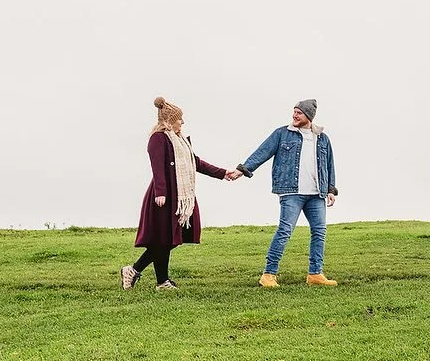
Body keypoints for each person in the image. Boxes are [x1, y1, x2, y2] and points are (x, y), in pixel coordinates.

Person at [120, 96, 235, 291]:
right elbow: (157, 166)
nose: (183, 122)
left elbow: (196, 162)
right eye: (180, 119)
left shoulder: (180, 141)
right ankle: (158, 280)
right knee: (164, 239)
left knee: (168, 239)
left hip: (180, 196)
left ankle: (138, 272)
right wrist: (161, 192)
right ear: (169, 120)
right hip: (164, 196)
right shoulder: (158, 138)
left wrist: (223, 173)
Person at [229, 98, 338, 287]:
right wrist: (243, 169)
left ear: (309, 117)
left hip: (317, 194)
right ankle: (268, 274)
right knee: (285, 231)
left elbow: (329, 164)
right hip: (291, 192)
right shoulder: (282, 134)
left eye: (299, 113)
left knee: (319, 232)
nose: (295, 115)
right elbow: (262, 152)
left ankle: (315, 274)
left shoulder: (322, 138)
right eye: (294, 112)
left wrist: (330, 189)